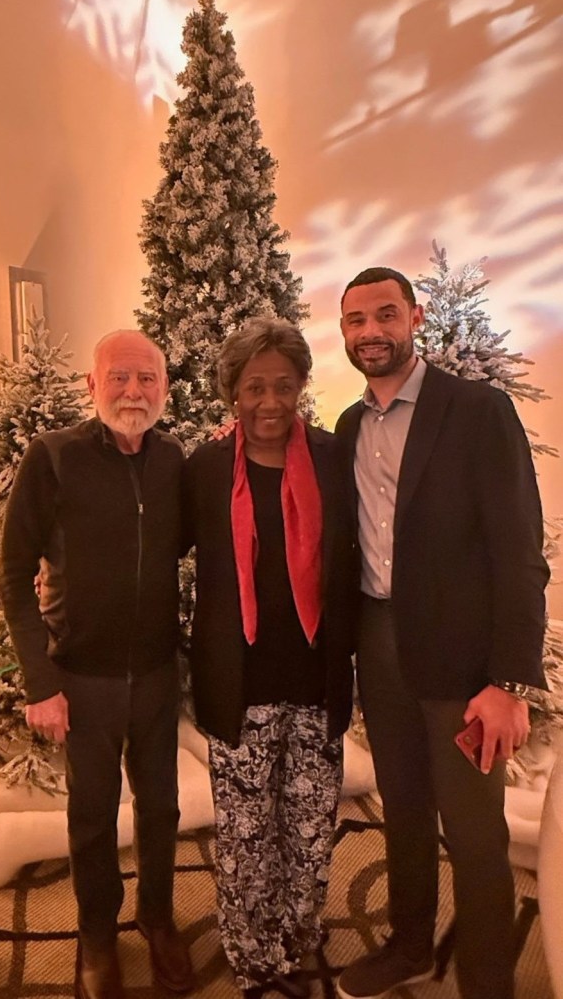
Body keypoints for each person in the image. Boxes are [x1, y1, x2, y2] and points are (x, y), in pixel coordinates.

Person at [334, 267, 549, 999]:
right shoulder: (350, 425)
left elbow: (521, 550)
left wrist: (510, 680)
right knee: (403, 809)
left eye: (385, 314)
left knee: (476, 829)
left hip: (463, 664)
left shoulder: (477, 410)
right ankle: (410, 944)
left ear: (416, 317)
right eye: (356, 320)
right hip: (380, 645)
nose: (371, 331)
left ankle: (489, 977)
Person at [0, 330, 194, 999]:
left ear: (165, 389)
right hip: (81, 678)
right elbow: (13, 575)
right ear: (92, 383)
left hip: (158, 676)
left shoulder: (173, 460)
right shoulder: (53, 457)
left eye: (147, 380)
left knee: (162, 808)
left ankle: (159, 918)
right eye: (120, 378)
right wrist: (41, 681)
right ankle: (96, 932)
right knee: (92, 812)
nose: (134, 392)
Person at [182, 317, 356, 998]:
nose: (271, 401)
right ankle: (252, 947)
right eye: (255, 386)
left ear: (302, 386)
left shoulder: (333, 457)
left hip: (316, 675)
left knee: (310, 824)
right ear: (233, 391)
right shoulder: (203, 469)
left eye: (284, 385)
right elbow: (156, 548)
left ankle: (299, 928)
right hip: (239, 677)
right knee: (248, 832)